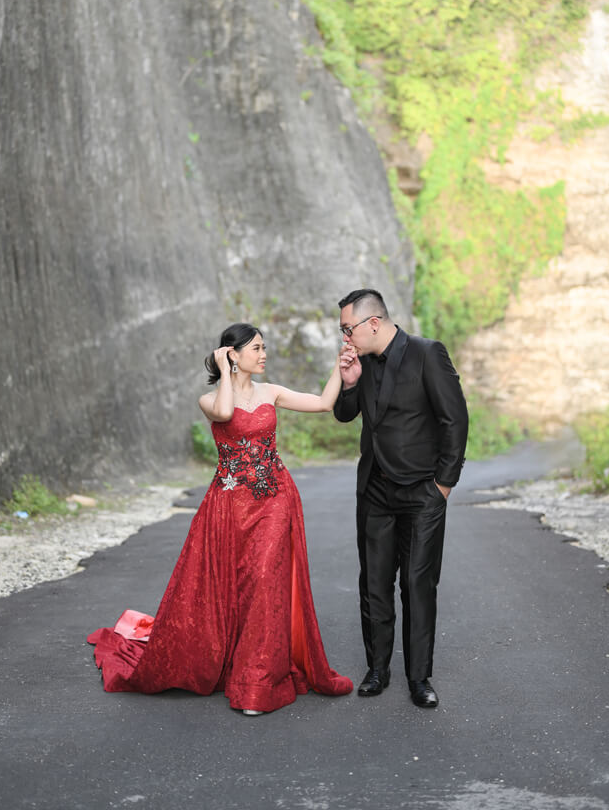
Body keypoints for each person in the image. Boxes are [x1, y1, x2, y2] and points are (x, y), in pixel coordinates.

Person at [88, 323, 353, 715]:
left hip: (274, 497)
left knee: (264, 579)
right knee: (232, 586)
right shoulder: (209, 399)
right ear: (233, 353)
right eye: (256, 348)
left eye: (264, 348)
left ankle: (256, 681)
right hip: (228, 504)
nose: (264, 355)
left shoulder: (271, 391)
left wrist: (339, 367)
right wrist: (226, 372)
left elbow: (323, 403)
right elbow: (226, 412)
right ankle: (233, 661)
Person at [334, 289, 468, 709]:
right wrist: (350, 383)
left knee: (417, 584)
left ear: (373, 323)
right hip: (375, 490)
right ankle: (377, 669)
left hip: (422, 491)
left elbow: (454, 419)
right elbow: (344, 414)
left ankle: (419, 677)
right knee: (374, 584)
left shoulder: (427, 353)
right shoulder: (361, 362)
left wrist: (443, 485)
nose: (345, 338)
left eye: (348, 329)